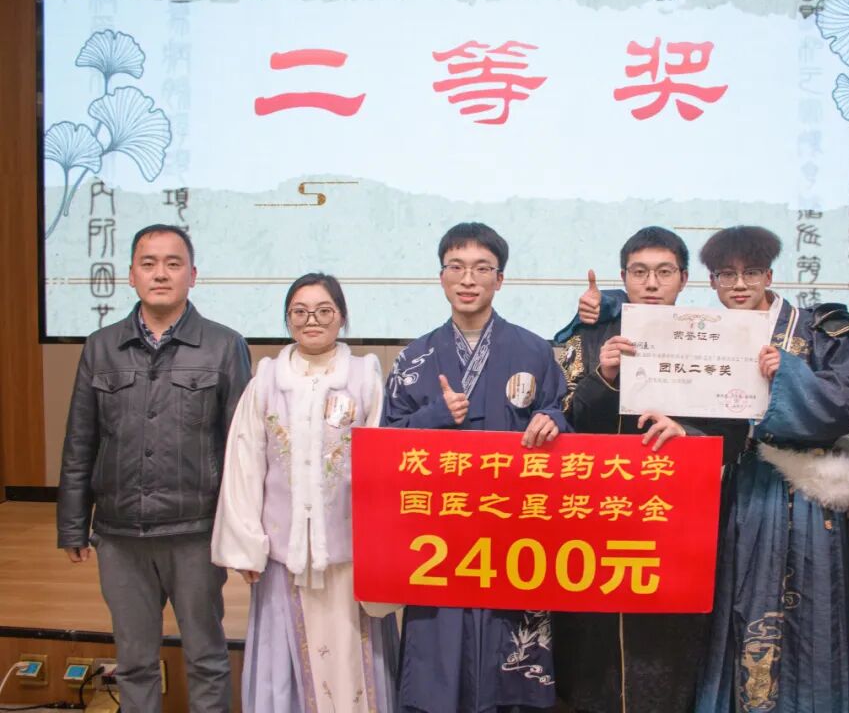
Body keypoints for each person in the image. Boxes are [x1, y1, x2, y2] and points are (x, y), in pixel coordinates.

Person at [575, 225, 849, 712]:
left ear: (769, 276)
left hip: (806, 497)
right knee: (734, 612)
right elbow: (700, 408)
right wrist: (608, 304)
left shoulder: (820, 329)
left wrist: (789, 373)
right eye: (726, 275)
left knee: (810, 619)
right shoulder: (707, 333)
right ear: (710, 282)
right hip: (738, 491)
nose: (739, 285)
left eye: (750, 273)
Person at [57, 224, 251, 713]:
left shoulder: (224, 346)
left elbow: (243, 450)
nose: (160, 274)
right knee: (134, 661)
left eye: (172, 263)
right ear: (131, 275)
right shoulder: (100, 347)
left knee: (207, 657)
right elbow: (80, 440)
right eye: (148, 263)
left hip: (196, 533)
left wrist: (243, 533)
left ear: (193, 275)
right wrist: (73, 525)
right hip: (120, 534)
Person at [552, 226, 747, 713]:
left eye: (664, 271)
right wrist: (604, 376)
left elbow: (737, 433)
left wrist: (689, 434)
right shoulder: (588, 336)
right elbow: (565, 421)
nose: (652, 283)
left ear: (684, 278)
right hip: (600, 515)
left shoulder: (711, 338)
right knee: (594, 645)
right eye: (640, 272)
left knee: (669, 646)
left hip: (677, 519)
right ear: (623, 277)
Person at [383, 222, 570, 713]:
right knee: (437, 656)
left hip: (514, 532)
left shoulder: (533, 351)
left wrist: (553, 420)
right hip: (438, 536)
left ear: (499, 279)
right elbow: (386, 447)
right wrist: (434, 417)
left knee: (511, 661)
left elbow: (561, 417)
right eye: (457, 267)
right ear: (441, 277)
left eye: (482, 268)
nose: (468, 279)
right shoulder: (414, 358)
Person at [211, 273, 398, 712]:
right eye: (300, 311)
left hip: (348, 556)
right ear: (288, 319)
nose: (312, 320)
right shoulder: (267, 380)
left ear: (342, 317)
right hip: (284, 557)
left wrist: (378, 546)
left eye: (324, 311)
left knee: (352, 660)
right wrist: (247, 545)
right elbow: (244, 461)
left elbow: (382, 468)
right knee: (285, 664)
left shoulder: (365, 377)